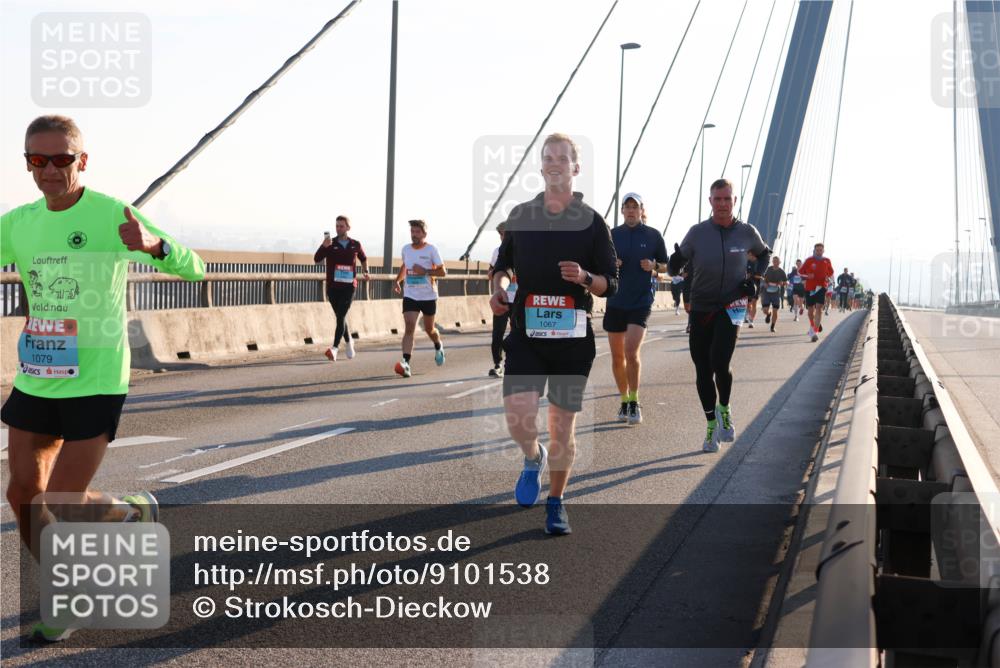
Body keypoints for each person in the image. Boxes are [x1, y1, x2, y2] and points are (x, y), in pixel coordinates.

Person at [1, 115, 206, 642]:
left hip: (96, 377)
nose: (48, 170)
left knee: (67, 500)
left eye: (61, 160)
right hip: (39, 373)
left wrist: (155, 247)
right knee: (23, 493)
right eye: (36, 160)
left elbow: (195, 270)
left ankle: (127, 510)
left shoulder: (113, 213)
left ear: (82, 161)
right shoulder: (18, 222)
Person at [489, 133, 618, 535]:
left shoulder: (594, 223)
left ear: (576, 168)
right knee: (519, 420)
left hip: (572, 342)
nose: (556, 163)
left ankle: (557, 502)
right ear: (542, 167)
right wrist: (497, 289)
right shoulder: (521, 215)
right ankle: (533, 457)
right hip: (527, 336)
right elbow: (502, 267)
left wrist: (585, 277)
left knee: (563, 425)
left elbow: (610, 283)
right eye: (549, 157)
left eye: (564, 157)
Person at [668, 178, 769, 453]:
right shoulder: (698, 232)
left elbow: (764, 254)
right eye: (717, 199)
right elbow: (675, 265)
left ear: (734, 201)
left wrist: (756, 279)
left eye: (727, 199)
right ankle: (711, 424)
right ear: (710, 201)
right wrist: (674, 263)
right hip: (701, 307)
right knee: (702, 370)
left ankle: (724, 406)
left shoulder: (747, 232)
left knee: (720, 362)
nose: (722, 204)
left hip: (731, 306)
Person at [604, 192, 668, 425]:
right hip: (615, 301)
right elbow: (599, 264)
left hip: (640, 301)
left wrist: (653, 266)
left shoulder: (652, 235)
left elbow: (665, 265)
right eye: (627, 206)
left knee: (631, 352)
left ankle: (634, 401)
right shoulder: (611, 235)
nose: (631, 210)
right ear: (622, 211)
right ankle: (623, 400)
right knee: (617, 355)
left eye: (635, 206)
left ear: (642, 210)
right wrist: (611, 264)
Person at [393, 219, 446, 377]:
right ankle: (406, 363)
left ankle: (438, 345)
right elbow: (405, 266)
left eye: (417, 232)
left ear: (424, 234)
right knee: (409, 327)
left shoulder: (431, 250)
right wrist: (397, 280)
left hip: (428, 295)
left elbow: (443, 272)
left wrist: (425, 271)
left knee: (430, 329)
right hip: (410, 295)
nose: (414, 235)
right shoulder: (406, 249)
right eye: (412, 232)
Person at [314, 215, 369, 362]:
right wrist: (323, 246)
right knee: (340, 317)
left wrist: (366, 271)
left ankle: (335, 348)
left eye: (341, 226)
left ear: (348, 228)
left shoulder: (355, 244)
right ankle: (349, 340)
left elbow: (363, 259)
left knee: (341, 315)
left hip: (349, 287)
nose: (338, 228)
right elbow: (316, 259)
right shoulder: (330, 244)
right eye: (337, 226)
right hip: (333, 287)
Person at [487, 222, 514, 377]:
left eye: (505, 233)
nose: (503, 237)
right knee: (498, 333)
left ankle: (512, 363)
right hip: (502, 298)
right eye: (501, 234)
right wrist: (495, 274)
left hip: (518, 299)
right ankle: (497, 364)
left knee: (517, 333)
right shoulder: (497, 252)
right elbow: (490, 271)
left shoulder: (522, 249)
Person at [800, 243, 835, 342]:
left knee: (819, 308)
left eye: (821, 250)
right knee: (811, 311)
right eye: (817, 250)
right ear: (814, 250)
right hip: (810, 288)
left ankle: (815, 331)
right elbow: (801, 272)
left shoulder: (826, 261)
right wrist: (807, 276)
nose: (819, 252)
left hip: (821, 288)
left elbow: (831, 272)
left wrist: (828, 277)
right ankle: (812, 324)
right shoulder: (809, 260)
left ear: (823, 251)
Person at [761, 256, 788, 333]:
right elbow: (762, 277)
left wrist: (782, 283)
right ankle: (768, 314)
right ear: (772, 262)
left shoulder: (782, 272)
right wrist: (765, 283)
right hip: (766, 291)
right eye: (774, 261)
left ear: (779, 262)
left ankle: (772, 326)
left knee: (775, 310)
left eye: (777, 261)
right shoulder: (768, 269)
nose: (775, 262)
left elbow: (786, 282)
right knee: (765, 310)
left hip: (776, 292)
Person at [744, 256, 760, 328]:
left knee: (754, 303)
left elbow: (762, 276)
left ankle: (751, 321)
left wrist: (752, 275)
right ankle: (747, 315)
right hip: (747, 285)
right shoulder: (746, 261)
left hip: (756, 285)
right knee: (748, 304)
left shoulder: (760, 263)